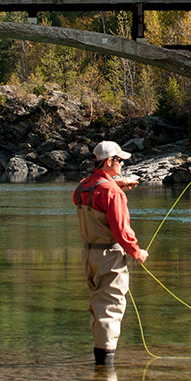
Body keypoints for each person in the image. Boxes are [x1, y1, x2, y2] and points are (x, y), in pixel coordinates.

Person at [74, 140, 148, 366]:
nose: (123, 164)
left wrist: (117, 183)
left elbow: (96, 191)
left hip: (88, 256)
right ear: (109, 161)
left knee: (97, 305)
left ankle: (101, 362)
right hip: (109, 257)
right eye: (120, 160)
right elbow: (121, 230)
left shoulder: (82, 187)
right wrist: (137, 252)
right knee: (110, 307)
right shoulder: (112, 193)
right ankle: (106, 368)